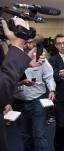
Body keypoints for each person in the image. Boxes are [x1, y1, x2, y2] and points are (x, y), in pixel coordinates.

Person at [0, 17, 45, 151]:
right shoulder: (15, 51)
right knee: (26, 135)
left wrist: (5, 102)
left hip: (35, 100)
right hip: (20, 100)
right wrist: (17, 46)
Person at [11, 37, 56, 151]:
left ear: (34, 43)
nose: (28, 45)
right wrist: (20, 82)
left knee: (39, 134)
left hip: (38, 100)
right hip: (19, 102)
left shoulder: (40, 58)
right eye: (25, 42)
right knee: (24, 134)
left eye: (30, 42)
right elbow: (8, 80)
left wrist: (51, 90)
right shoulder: (13, 59)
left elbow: (49, 76)